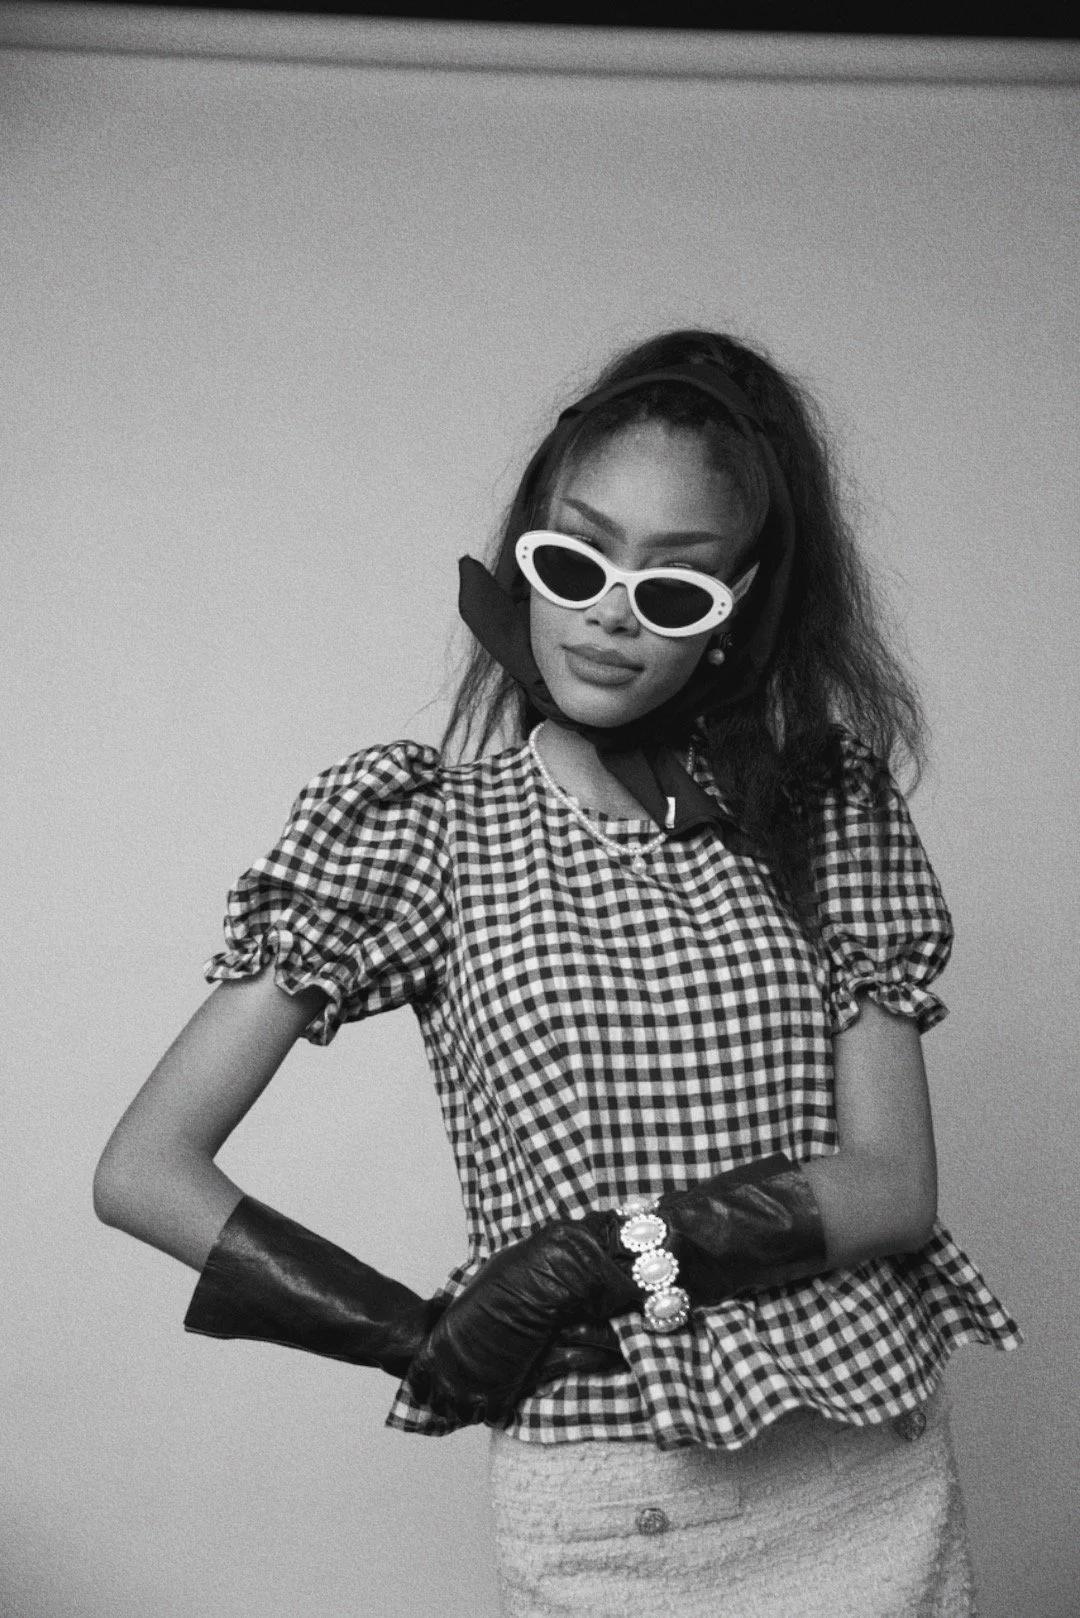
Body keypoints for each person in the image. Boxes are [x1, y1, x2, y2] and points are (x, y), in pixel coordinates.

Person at [94, 329, 1021, 1617]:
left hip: (863, 1469)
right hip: (608, 1500)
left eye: (676, 588)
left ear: (735, 615)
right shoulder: (425, 834)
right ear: (528, 547)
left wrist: (593, 1259)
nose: (608, 613)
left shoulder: (826, 821)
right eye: (577, 559)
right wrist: (411, 1337)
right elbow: (144, 1168)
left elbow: (892, 1188)